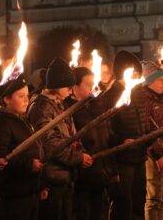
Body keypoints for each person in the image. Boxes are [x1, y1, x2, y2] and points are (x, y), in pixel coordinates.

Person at [28, 57, 93, 220]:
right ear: (56, 85)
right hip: (52, 178)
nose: (71, 91)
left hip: (65, 175)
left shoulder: (59, 105)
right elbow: (51, 144)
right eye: (68, 87)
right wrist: (78, 158)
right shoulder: (41, 108)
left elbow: (73, 135)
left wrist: (82, 152)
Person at [65, 67, 117, 220]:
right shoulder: (69, 110)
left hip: (101, 172)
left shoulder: (96, 104)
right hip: (83, 175)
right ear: (75, 87)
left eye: (93, 84)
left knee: (100, 213)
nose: (92, 88)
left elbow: (106, 136)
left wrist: (112, 169)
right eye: (88, 84)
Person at [0, 75, 44, 220]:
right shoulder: (3, 122)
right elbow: (0, 158)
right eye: (21, 96)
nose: (26, 100)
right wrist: (29, 164)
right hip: (14, 194)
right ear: (6, 99)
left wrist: (42, 185)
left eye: (27, 95)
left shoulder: (22, 119)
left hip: (29, 190)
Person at [108, 50, 148, 220]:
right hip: (122, 159)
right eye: (135, 72)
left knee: (139, 200)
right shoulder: (111, 96)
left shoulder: (137, 94)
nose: (138, 77)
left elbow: (144, 122)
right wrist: (121, 141)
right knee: (124, 203)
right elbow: (105, 129)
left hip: (140, 156)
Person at [140, 61, 163, 220]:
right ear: (150, 81)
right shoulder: (143, 100)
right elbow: (146, 130)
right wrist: (158, 154)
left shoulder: (160, 99)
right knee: (154, 195)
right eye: (160, 80)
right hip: (152, 154)